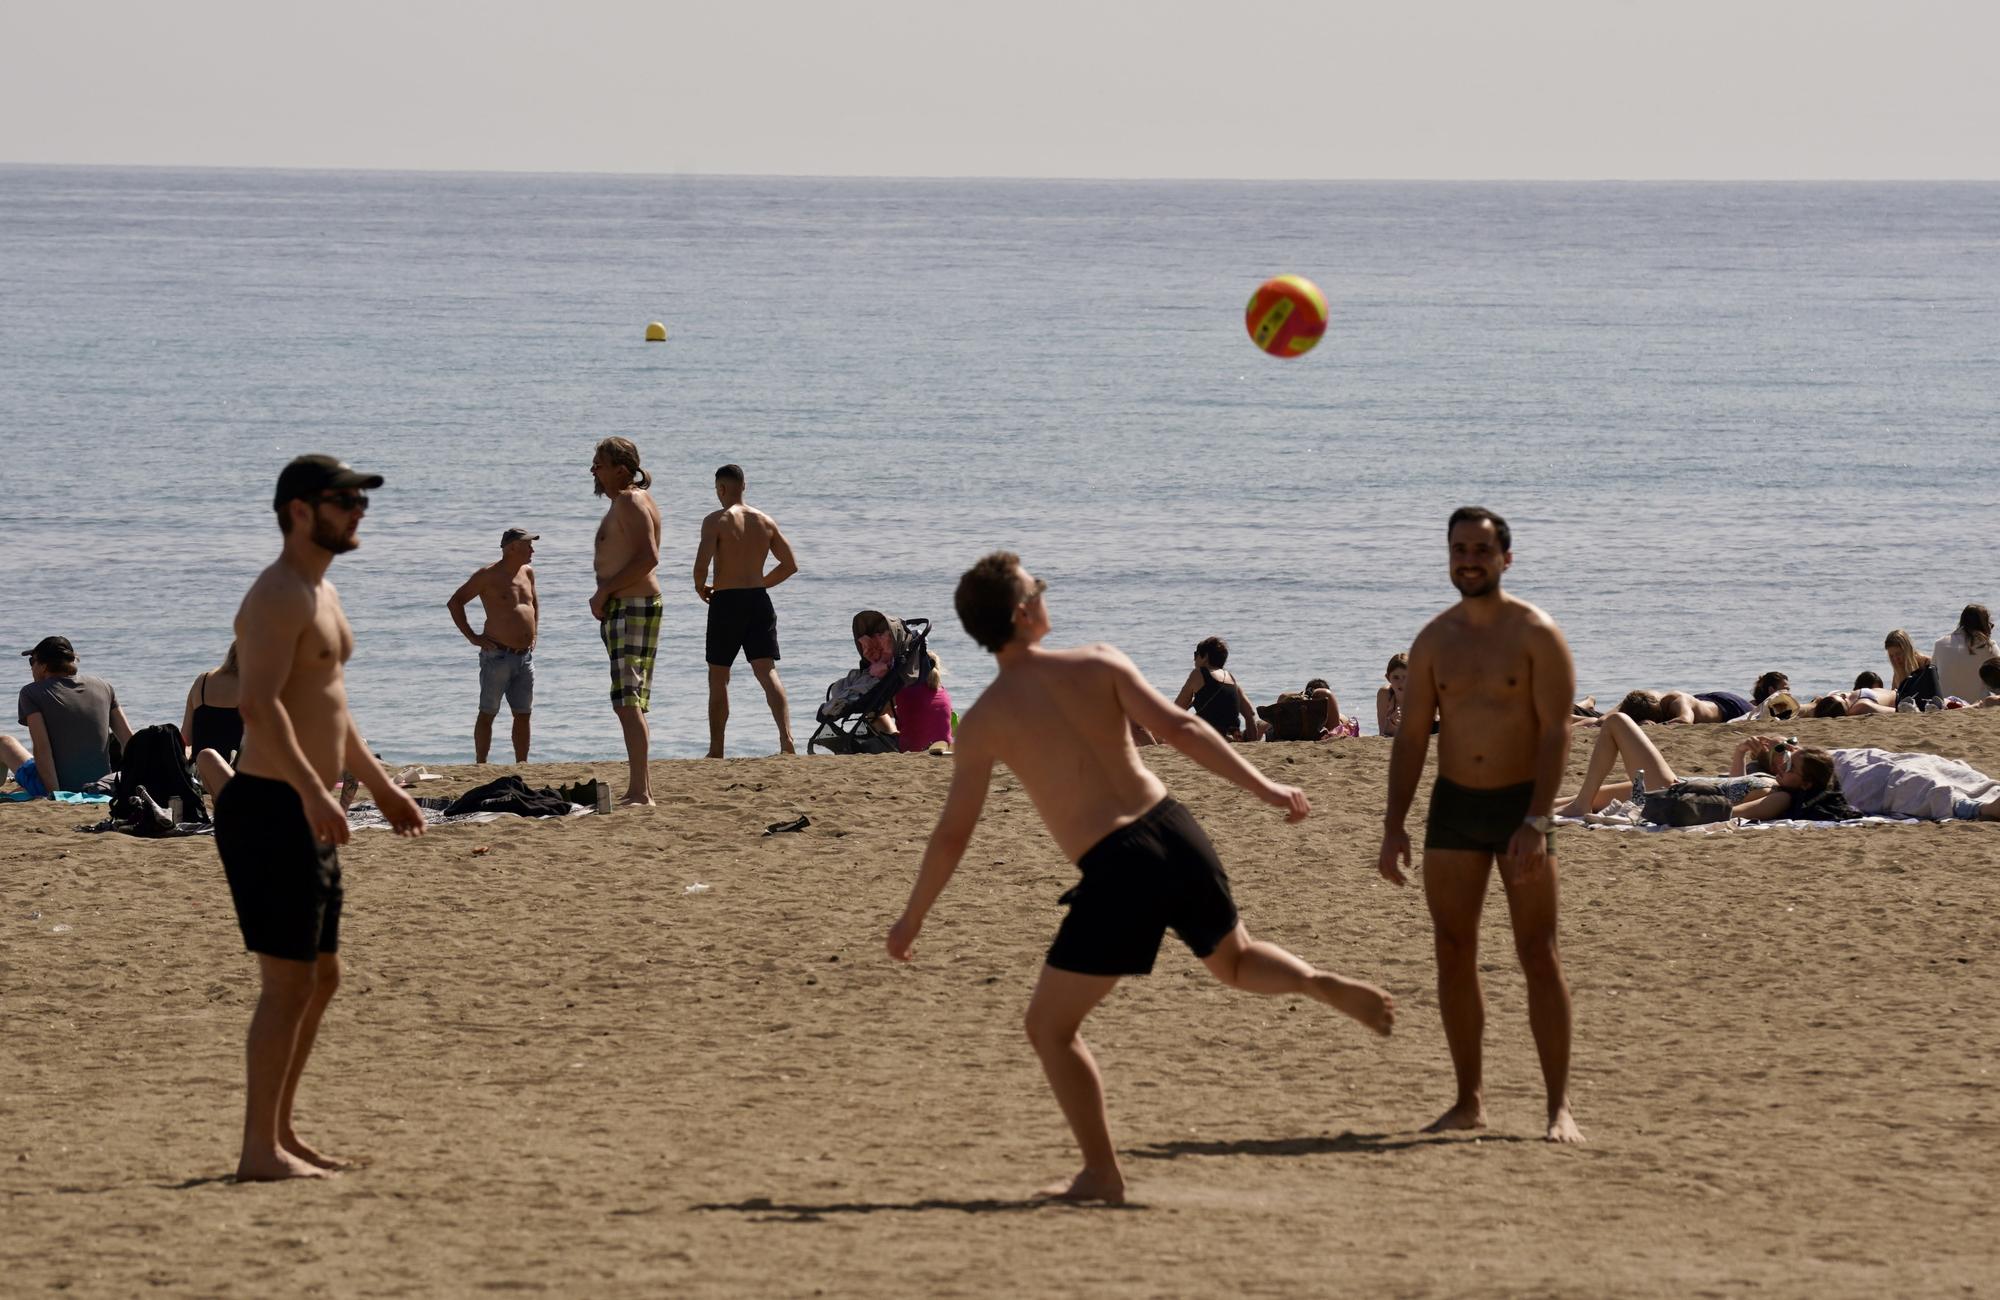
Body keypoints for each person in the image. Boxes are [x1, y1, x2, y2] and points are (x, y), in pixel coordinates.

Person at [889, 553, 1393, 1204]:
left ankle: (1101, 1173)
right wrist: (1269, 788)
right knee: (1235, 963)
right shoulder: (1099, 661)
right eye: (1036, 588)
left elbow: (953, 833)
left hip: (1118, 863)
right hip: (1173, 827)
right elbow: (1181, 730)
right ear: (1021, 614)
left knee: (1050, 1030)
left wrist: (914, 915)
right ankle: (1319, 983)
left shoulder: (985, 719)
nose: (1044, 594)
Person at [215, 454, 425, 1182]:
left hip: (307, 805)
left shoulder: (322, 590)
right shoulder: (278, 595)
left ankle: (281, 1132)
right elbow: (257, 705)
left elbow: (330, 707)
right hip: (271, 807)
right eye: (343, 500)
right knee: (287, 983)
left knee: (320, 977)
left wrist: (380, 786)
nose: (357, 511)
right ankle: (256, 1150)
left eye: (359, 500)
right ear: (300, 511)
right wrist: (311, 788)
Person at [1377, 507, 1583, 1144]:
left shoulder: (1536, 634)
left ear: (1506, 559)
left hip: (1523, 807)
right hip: (1455, 808)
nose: (1469, 559)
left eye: (1481, 549)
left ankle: (1558, 1110)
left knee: (1539, 955)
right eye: (1459, 548)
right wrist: (1393, 826)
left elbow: (1556, 732)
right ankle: (1469, 1100)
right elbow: (1411, 740)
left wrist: (1537, 817)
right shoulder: (1434, 641)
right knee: (1452, 952)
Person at [693, 464, 798, 757]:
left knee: (718, 676)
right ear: (744, 485)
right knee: (767, 672)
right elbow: (790, 565)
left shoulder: (716, 520)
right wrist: (759, 583)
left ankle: (716, 749)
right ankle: (787, 741)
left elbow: (701, 565)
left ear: (721, 489)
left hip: (726, 602)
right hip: (758, 601)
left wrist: (701, 587)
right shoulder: (765, 521)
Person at [1556, 715, 1838, 820]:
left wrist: (1681, 804)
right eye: (1786, 759)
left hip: (1674, 791)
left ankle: (1580, 805)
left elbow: (1728, 812)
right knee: (1557, 803)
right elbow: (1734, 786)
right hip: (1677, 785)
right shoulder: (1774, 782)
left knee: (1617, 722)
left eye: (1790, 766)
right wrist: (1740, 753)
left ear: (1806, 784)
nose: (1783, 765)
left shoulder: (1781, 797)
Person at [590, 438, 663, 804]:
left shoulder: (632, 501)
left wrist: (604, 591)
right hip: (628, 606)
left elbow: (648, 557)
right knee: (628, 699)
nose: (593, 471)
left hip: (632, 605)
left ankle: (640, 791)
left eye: (599, 464)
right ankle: (641, 788)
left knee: (627, 700)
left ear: (621, 467)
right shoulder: (626, 502)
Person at [446, 527, 540, 763]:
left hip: (524, 657)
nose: (533, 549)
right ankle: (481, 763)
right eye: (528, 545)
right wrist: (473, 637)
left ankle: (522, 763)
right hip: (497, 655)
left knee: (523, 713)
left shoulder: (528, 572)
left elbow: (533, 603)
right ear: (512, 548)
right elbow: (455, 602)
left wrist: (534, 633)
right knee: (488, 711)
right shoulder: (487, 575)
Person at [2, 636, 133, 799]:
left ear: (43, 666)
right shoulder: (104, 686)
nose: (31, 668)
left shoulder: (32, 693)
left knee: (4, 742)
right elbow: (128, 739)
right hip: (101, 785)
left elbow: (42, 748)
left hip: (59, 786)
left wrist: (55, 794)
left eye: (31, 662)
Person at [1172, 637, 1260, 741]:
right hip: (1234, 737)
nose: (1194, 659)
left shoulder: (1198, 673)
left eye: (1196, 655)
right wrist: (1252, 741)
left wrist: (1187, 706)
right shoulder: (1230, 678)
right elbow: (1250, 714)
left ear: (1205, 657)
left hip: (1207, 737)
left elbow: (1175, 710)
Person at [1932, 604, 1997, 703]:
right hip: (1976, 704)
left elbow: (1934, 674)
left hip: (1945, 703)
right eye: (1989, 624)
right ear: (1983, 624)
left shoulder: (1940, 644)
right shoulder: (1988, 647)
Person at [894, 651, 953, 753]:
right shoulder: (944, 693)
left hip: (914, 748)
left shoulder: (906, 692)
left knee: (880, 719)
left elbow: (899, 724)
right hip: (945, 746)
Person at [1615, 688, 1751, 724]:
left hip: (1729, 706)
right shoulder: (1648, 699)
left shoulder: (1678, 701)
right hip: (1702, 699)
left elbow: (1686, 720)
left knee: (1756, 709)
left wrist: (1659, 726)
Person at [1376, 653, 1409, 737]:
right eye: (1396, 677)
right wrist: (1392, 723)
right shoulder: (1385, 695)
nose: (1401, 683)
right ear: (1388, 678)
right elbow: (1382, 733)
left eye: (1405, 677)